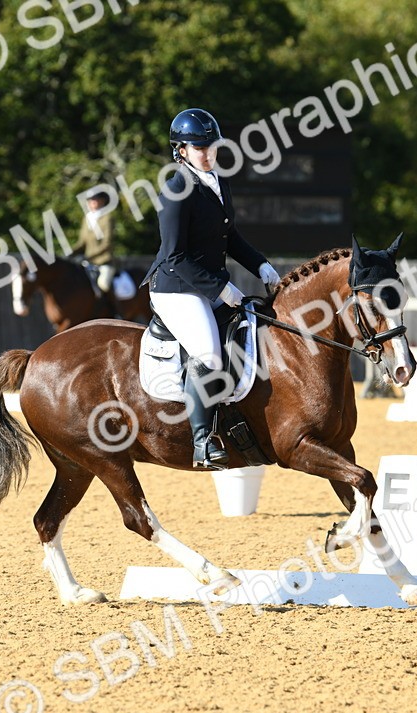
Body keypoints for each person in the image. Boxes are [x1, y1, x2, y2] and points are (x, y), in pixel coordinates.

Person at [144, 108, 281, 469]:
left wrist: (260, 264)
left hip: (206, 285)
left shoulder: (218, 179)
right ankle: (203, 442)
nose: (207, 153)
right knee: (208, 354)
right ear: (181, 150)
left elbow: (228, 235)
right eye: (198, 147)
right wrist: (222, 289)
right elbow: (175, 255)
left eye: (211, 145)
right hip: (175, 287)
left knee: (250, 330)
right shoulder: (176, 187)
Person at [72, 190, 115, 294]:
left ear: (102, 201)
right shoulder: (87, 219)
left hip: (103, 262)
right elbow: (82, 242)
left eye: (95, 200)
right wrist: (70, 253)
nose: (92, 203)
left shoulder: (107, 218)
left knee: (103, 284)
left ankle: (114, 309)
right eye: (90, 201)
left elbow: (107, 244)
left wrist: (88, 256)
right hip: (88, 263)